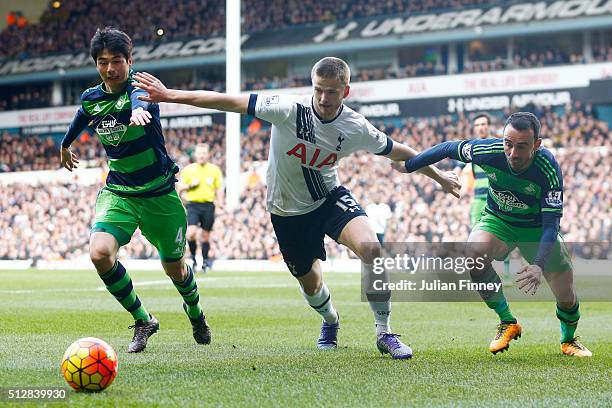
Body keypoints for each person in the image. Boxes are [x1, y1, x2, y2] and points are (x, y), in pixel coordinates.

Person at [133, 57, 461, 359]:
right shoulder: (288, 109)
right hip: (286, 212)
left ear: (345, 91)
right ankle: (331, 320)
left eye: (331, 92)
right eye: (318, 90)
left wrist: (439, 176)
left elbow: (398, 151)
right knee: (311, 284)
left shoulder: (355, 126)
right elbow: (228, 101)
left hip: (329, 198)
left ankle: (384, 332)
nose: (323, 98)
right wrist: (170, 95)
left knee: (372, 249)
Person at [60, 27, 210, 353]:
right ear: (96, 64)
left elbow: (140, 99)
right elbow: (80, 117)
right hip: (120, 193)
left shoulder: (142, 87)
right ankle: (144, 319)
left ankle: (195, 312)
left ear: (130, 60)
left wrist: (140, 108)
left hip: (159, 194)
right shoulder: (91, 98)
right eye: (102, 62)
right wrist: (65, 144)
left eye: (116, 61)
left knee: (175, 267)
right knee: (99, 253)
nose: (110, 69)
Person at [395, 112, 591, 357]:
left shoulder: (548, 168)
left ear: (537, 145)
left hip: (536, 229)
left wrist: (539, 265)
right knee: (473, 254)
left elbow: (551, 226)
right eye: (508, 144)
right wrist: (409, 167)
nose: (512, 153)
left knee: (566, 295)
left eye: (522, 147)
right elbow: (447, 148)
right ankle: (507, 321)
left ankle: (568, 340)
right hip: (498, 221)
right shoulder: (487, 150)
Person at [464, 113, 511, 276]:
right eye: (477, 125)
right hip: (478, 200)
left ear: (489, 126)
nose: (481, 127)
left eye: (483, 124)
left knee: (502, 236)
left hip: (497, 198)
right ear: (474, 128)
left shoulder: (499, 145)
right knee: (475, 236)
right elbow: (459, 168)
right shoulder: (470, 148)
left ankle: (506, 274)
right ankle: (480, 274)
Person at [178, 143, 223, 272]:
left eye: (204, 153)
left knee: (205, 236)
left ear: (208, 154)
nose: (201, 156)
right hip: (193, 205)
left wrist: (220, 204)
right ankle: (193, 259)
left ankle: (205, 262)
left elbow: (219, 188)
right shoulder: (188, 169)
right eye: (199, 153)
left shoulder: (214, 170)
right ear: (195, 155)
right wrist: (190, 186)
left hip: (208, 205)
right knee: (191, 233)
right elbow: (180, 188)